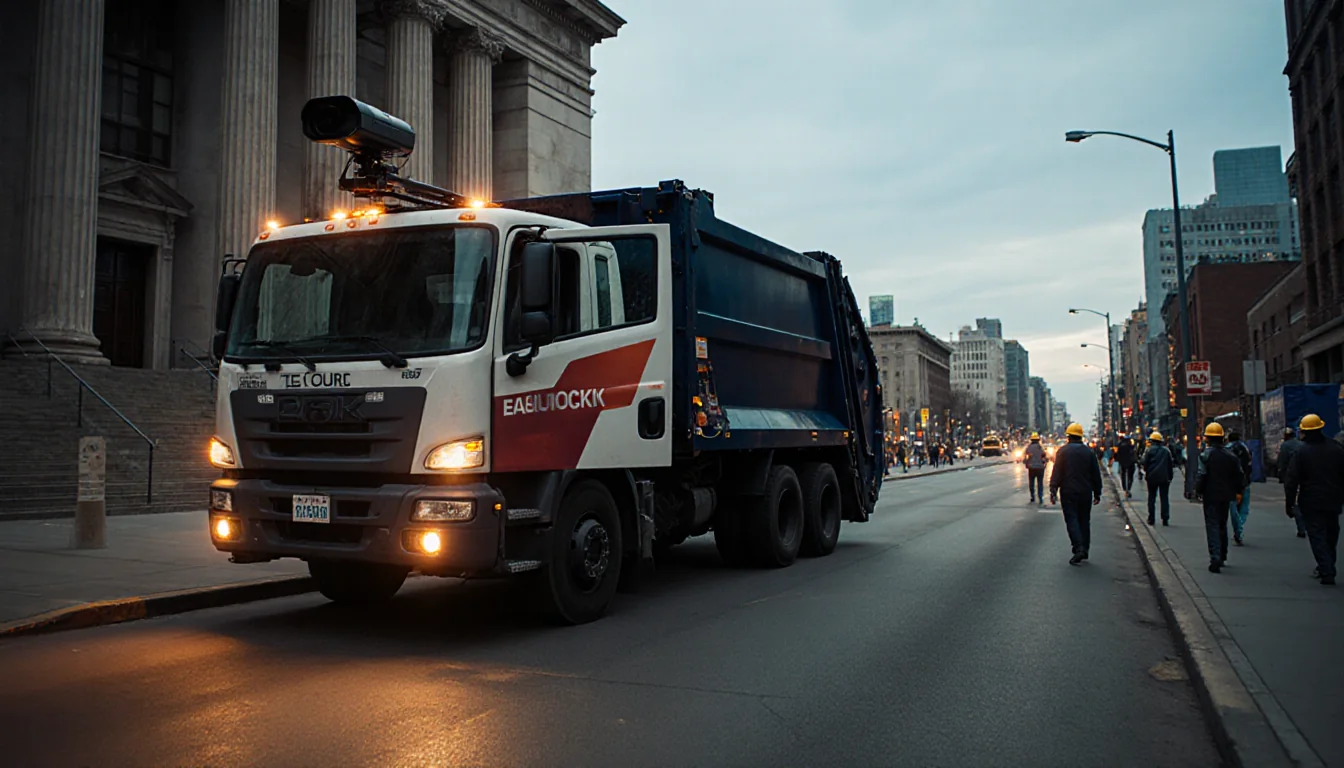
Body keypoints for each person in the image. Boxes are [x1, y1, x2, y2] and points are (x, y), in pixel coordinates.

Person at [1285, 414, 1344, 586]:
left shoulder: (1301, 452)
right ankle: (1328, 564)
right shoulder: (1336, 449)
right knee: (1332, 533)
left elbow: (1291, 480)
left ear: (1304, 432)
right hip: (1333, 498)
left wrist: (1289, 504)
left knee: (1317, 535)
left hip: (1311, 500)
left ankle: (1326, 569)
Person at [1050, 422, 1103, 565]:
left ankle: (1078, 547)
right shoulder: (1089, 452)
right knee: (1084, 520)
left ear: (1068, 436)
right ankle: (1085, 549)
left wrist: (1053, 489)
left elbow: (1057, 472)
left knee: (1072, 519)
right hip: (1085, 492)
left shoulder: (1062, 451)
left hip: (1068, 492)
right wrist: (1097, 492)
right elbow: (1095, 474)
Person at [1195, 422, 1243, 574]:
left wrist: (1198, 491)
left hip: (1210, 495)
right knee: (1223, 524)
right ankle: (1223, 554)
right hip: (1226, 495)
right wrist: (1238, 491)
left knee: (1212, 525)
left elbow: (1202, 475)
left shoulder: (1205, 455)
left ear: (1208, 439)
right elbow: (1239, 475)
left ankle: (1215, 556)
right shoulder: (1231, 456)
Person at [1277, 427, 1307, 538]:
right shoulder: (1301, 445)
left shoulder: (1285, 446)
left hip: (1291, 476)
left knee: (1294, 501)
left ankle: (1301, 528)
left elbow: (1282, 462)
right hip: (1304, 477)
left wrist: (1281, 475)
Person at [1226, 429, 1253, 545]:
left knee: (1233, 508)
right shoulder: (1245, 448)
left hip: (1230, 483)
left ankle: (1238, 530)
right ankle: (1240, 528)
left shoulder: (1226, 450)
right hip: (1244, 482)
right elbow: (1249, 466)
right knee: (1244, 508)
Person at [1141, 431, 1174, 526]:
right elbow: (1170, 465)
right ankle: (1165, 518)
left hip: (1151, 477)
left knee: (1151, 498)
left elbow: (1144, 462)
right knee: (1164, 498)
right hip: (1164, 477)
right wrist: (1170, 477)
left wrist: (1146, 471)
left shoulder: (1148, 450)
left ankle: (1151, 518)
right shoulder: (1166, 451)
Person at [1023, 432, 1047, 504]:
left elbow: (1025, 457)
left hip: (1032, 468)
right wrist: (1044, 464)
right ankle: (1040, 497)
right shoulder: (1041, 447)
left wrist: (1026, 463)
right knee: (1040, 483)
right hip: (1040, 468)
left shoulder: (1029, 448)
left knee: (1031, 483)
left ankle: (1032, 497)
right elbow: (1044, 457)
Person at [1115, 433, 1138, 499]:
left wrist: (1117, 459)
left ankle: (1125, 489)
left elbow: (1116, 454)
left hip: (1123, 463)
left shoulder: (1120, 445)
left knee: (1123, 476)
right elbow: (1134, 454)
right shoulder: (1131, 445)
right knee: (1130, 477)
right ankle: (1128, 489)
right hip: (1131, 463)